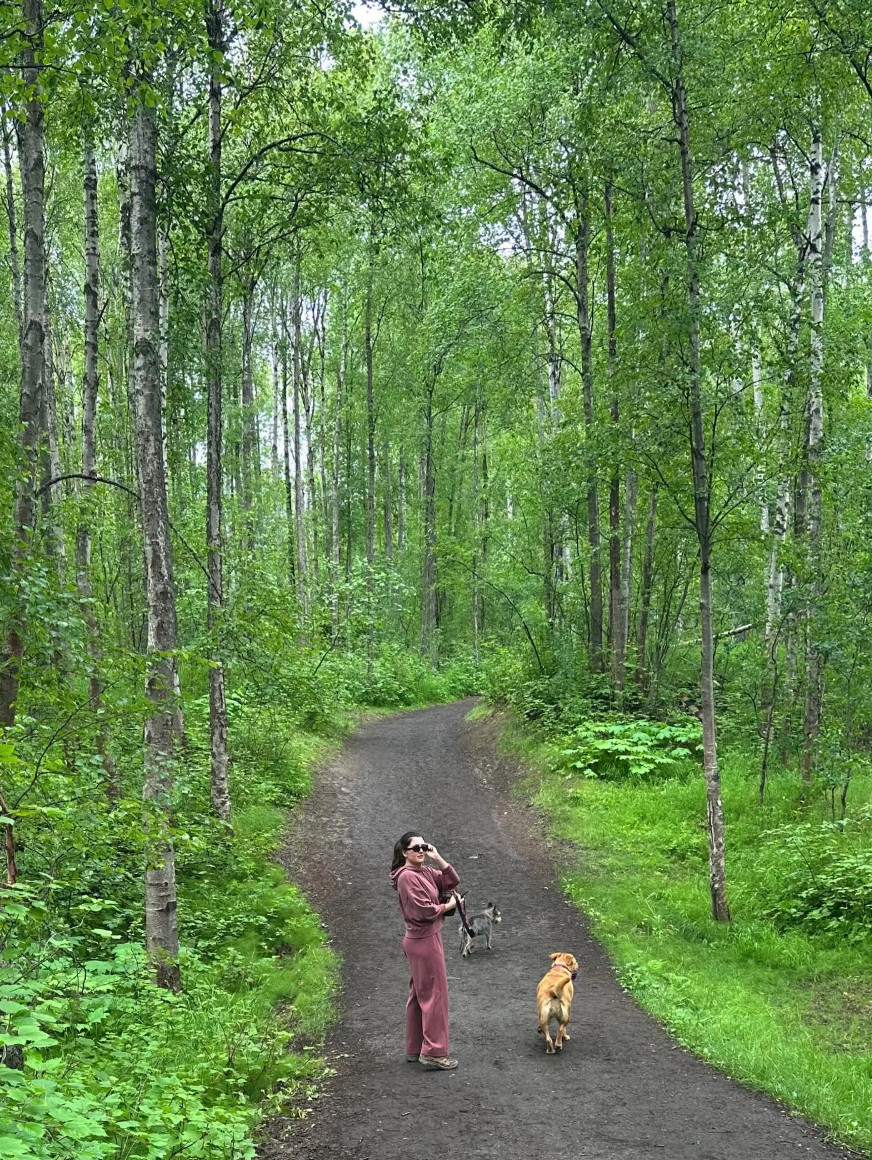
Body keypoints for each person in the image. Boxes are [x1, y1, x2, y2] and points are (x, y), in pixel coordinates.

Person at [389, 832, 460, 1070]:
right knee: (434, 995)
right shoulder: (407, 877)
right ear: (404, 852)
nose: (421, 850)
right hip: (424, 941)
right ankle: (434, 1053)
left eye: (424, 846)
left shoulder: (424, 872)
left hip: (424, 939)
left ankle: (415, 1048)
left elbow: (451, 881)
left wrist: (437, 857)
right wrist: (449, 906)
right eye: (416, 847)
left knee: (420, 994)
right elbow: (424, 911)